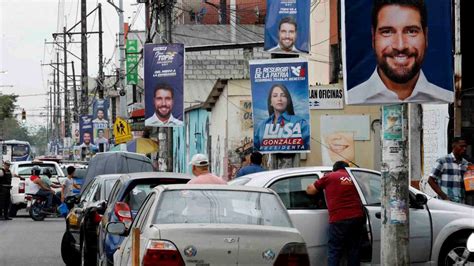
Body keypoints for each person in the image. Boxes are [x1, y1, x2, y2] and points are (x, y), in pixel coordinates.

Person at [347, 0, 453, 104]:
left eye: (411, 31)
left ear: (426, 36)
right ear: (373, 37)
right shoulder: (354, 97)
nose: (400, 46)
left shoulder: (447, 97)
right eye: (387, 32)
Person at [306, 161, 365, 266]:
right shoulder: (355, 178)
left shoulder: (330, 176)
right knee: (354, 250)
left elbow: (310, 191)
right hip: (357, 217)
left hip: (339, 218)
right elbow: (366, 193)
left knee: (335, 250)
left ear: (334, 169)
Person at [253, 83, 310, 151]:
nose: (279, 99)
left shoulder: (300, 123)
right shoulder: (261, 126)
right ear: (270, 102)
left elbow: (308, 146)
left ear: (288, 100)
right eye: (275, 96)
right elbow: (256, 149)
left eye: (283, 96)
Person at [428, 137, 470, 203]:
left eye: (465, 147)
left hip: (462, 203)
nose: (464, 149)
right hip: (446, 203)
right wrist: (444, 197)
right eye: (461, 146)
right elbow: (430, 180)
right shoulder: (443, 161)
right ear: (454, 146)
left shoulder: (466, 164)